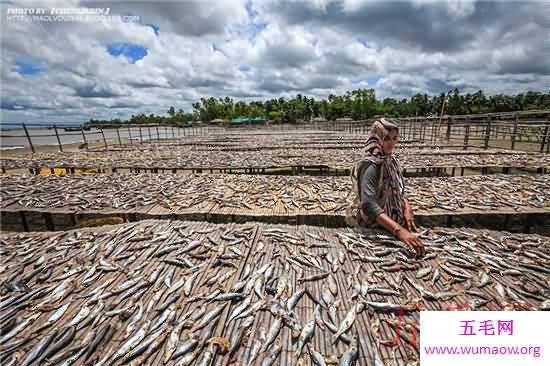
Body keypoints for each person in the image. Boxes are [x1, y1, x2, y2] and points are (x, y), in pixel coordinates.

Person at [348, 118, 425, 257]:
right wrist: (400, 231)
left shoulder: (390, 160)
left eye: (395, 138)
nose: (391, 143)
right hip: (376, 228)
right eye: (387, 138)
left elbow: (398, 187)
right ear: (377, 138)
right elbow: (369, 205)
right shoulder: (370, 165)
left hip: (393, 224)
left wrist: (407, 207)